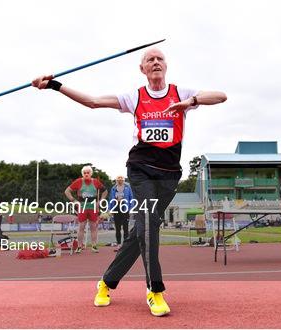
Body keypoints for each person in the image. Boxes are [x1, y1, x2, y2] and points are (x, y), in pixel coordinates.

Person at [32, 47, 226, 316]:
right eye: (150, 59)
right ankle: (155, 290)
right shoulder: (134, 97)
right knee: (148, 225)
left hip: (169, 175)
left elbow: (220, 96)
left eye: (160, 59)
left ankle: (106, 282)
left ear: (165, 66)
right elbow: (93, 102)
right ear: (142, 69)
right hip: (140, 170)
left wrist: (190, 103)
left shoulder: (180, 93)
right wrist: (55, 85)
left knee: (140, 233)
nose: (156, 62)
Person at [65, 166, 108, 253]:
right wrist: (74, 201)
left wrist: (100, 201)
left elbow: (105, 191)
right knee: (81, 227)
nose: (86, 174)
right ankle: (79, 246)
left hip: (93, 207)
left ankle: (94, 246)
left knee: (93, 227)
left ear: (91, 173)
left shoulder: (95, 182)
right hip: (82, 207)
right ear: (82, 174)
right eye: (84, 173)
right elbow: (67, 191)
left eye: (88, 172)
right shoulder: (79, 181)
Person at [108, 175, 134, 252]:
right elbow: (110, 199)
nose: (120, 181)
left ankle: (125, 245)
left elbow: (131, 198)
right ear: (116, 180)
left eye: (121, 180)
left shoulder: (128, 188)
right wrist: (110, 209)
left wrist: (131, 209)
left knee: (126, 227)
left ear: (123, 180)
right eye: (118, 180)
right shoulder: (113, 188)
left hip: (125, 208)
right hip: (116, 207)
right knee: (117, 227)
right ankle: (119, 244)